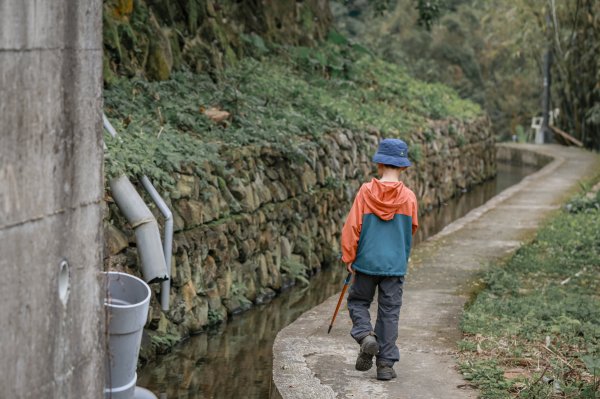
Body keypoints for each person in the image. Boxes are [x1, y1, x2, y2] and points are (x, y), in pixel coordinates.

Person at [341, 138, 418, 381]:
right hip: (394, 266)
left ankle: (365, 336)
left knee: (358, 302)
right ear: (403, 167)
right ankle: (385, 366)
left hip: (366, 262)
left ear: (379, 164)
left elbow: (352, 227)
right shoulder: (409, 197)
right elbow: (412, 229)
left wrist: (348, 256)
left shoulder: (365, 192)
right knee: (389, 313)